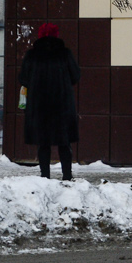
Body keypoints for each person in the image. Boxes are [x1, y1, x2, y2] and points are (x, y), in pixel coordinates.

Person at [19, 23, 80, 181]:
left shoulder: (32, 55)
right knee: (64, 142)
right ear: (56, 35)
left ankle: (44, 176)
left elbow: (23, 78)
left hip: (39, 105)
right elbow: (76, 76)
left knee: (43, 143)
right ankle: (67, 175)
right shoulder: (65, 54)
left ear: (39, 35)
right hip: (62, 104)